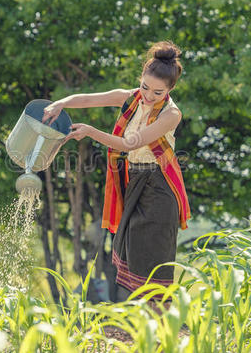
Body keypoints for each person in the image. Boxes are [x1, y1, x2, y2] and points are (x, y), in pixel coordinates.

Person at [42, 41, 191, 303]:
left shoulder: (171, 114)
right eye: (145, 87)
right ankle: (149, 335)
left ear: (169, 90)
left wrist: (89, 131)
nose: (147, 95)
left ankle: (167, 334)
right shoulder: (133, 97)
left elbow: (128, 144)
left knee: (154, 273)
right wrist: (60, 104)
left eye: (157, 92)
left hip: (159, 189)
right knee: (134, 262)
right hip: (134, 184)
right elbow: (91, 98)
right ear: (141, 79)